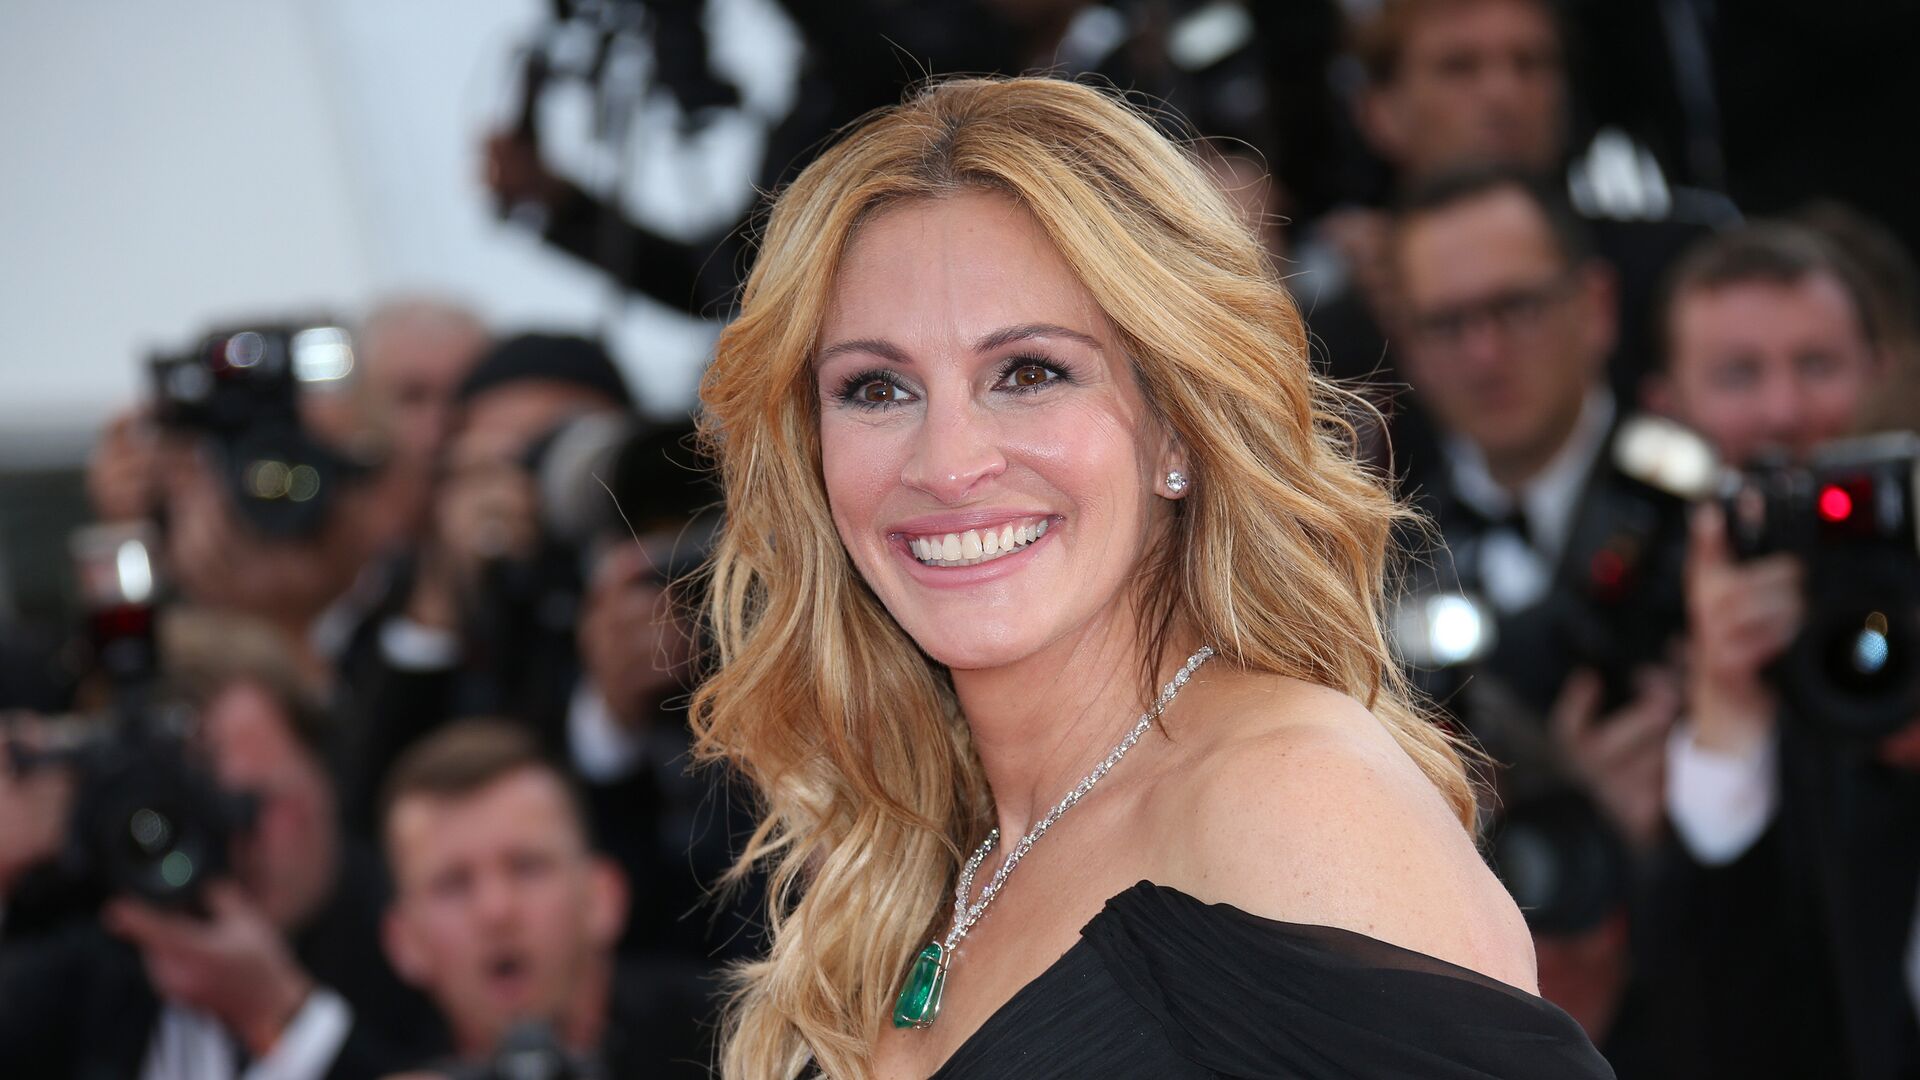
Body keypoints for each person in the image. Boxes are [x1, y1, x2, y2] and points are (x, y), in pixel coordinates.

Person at [688, 76, 1610, 1078]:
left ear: (1176, 426)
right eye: (877, 388)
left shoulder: (1289, 797)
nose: (947, 464)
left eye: (1029, 372)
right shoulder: (923, 862)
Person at [1638, 222, 1920, 1079]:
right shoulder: (1638, 611)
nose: (1784, 412)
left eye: (1817, 364)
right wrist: (1726, 716)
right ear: (1670, 405)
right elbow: (1710, 1010)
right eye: (1739, 375)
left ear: (1883, 370)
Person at [0, 609, 440, 1079]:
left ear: (325, 777)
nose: (235, 840)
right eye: (189, 812)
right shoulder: (92, 965)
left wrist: (286, 1016)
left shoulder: (416, 942)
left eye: (256, 803)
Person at [378, 720, 714, 1078]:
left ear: (602, 897)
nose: (496, 910)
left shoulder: (730, 1040)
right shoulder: (382, 1062)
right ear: (404, 940)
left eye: (527, 867)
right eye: (454, 885)